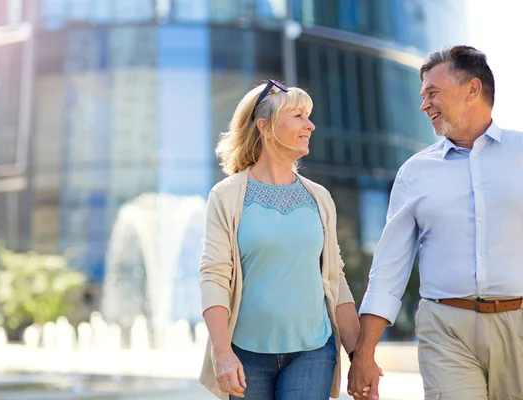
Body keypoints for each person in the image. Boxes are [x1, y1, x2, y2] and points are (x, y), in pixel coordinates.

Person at [347, 45, 523, 400]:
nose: (423, 105)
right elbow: (389, 268)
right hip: (445, 328)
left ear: (472, 90)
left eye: (432, 93)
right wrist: (364, 353)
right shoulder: (414, 172)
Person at [198, 79, 380, 400]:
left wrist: (359, 357)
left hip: (312, 351)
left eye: (308, 116)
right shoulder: (226, 196)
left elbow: (335, 281)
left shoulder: (319, 197)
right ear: (265, 127)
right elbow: (214, 276)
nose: (310, 125)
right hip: (245, 354)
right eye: (298, 116)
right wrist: (222, 353)